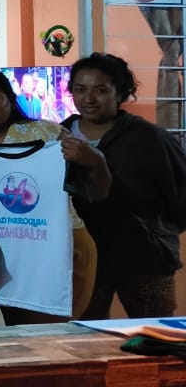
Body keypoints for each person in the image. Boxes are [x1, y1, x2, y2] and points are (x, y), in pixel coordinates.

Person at [0, 67, 103, 323]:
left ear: (10, 98)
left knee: (53, 332)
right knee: (19, 330)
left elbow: (94, 185)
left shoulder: (47, 134)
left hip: (58, 247)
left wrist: (93, 159)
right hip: (1, 253)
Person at [62, 54, 184, 319]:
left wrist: (157, 232)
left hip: (145, 260)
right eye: (80, 89)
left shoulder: (150, 138)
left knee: (156, 333)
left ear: (121, 93)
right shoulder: (57, 136)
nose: (89, 99)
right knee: (85, 334)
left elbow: (180, 194)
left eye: (101, 90)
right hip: (84, 258)